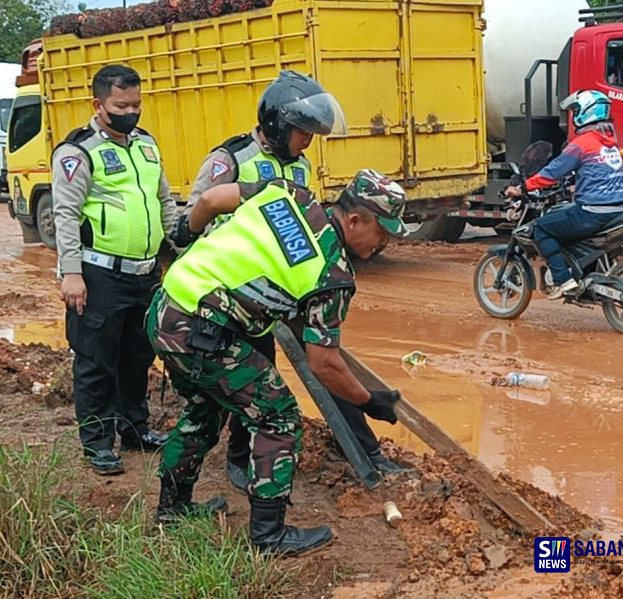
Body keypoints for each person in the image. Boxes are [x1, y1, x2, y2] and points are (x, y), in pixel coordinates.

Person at [147, 168, 407, 555]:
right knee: (278, 416)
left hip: (166, 307)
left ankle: (172, 510)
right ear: (354, 220)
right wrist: (369, 401)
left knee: (206, 408)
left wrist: (186, 236)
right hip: (202, 331)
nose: (384, 243)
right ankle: (269, 537)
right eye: (382, 233)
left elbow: (210, 200)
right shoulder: (331, 274)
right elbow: (324, 365)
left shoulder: (289, 194)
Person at [172, 71, 408, 492]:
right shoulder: (231, 159)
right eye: (304, 133)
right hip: (237, 295)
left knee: (328, 360)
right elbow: (201, 213)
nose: (307, 143)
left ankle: (367, 452)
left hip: (290, 289)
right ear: (279, 123)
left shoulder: (298, 168)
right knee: (257, 384)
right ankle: (241, 463)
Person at [52, 65, 177, 475]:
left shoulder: (146, 145)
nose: (131, 111)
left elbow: (164, 201)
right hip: (98, 273)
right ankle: (98, 443)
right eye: (121, 105)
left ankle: (135, 430)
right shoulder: (78, 151)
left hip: (144, 274)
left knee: (137, 356)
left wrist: (175, 246)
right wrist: (71, 272)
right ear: (98, 105)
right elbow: (66, 214)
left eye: (137, 104)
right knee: (96, 360)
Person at [505, 90, 623, 300]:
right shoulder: (609, 142)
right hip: (620, 209)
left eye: (576, 111)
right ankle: (586, 275)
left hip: (594, 212)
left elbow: (553, 171)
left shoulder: (583, 143)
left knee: (541, 227)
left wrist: (523, 187)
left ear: (587, 113)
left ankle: (563, 280)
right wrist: (576, 186)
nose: (574, 116)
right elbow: (599, 172)